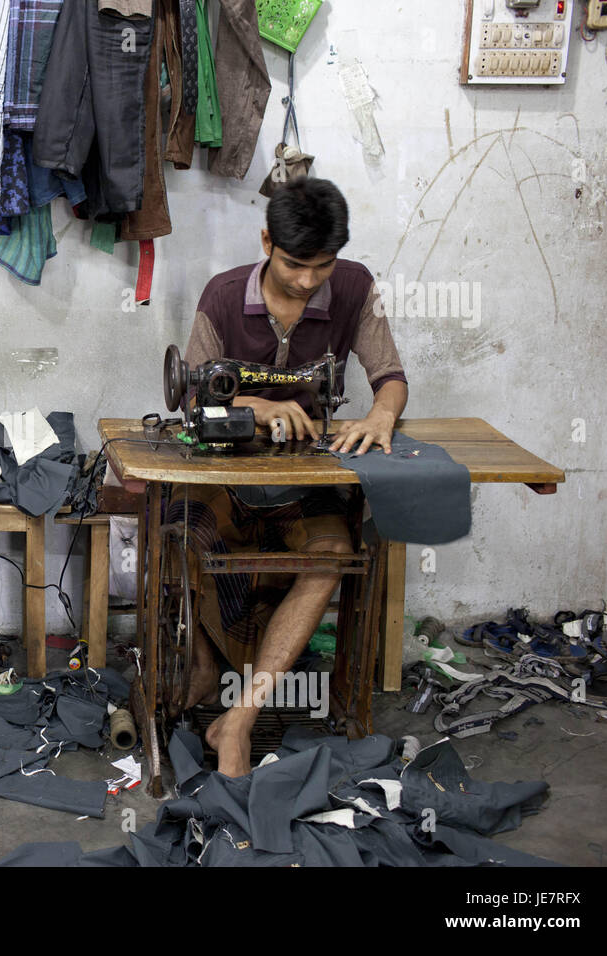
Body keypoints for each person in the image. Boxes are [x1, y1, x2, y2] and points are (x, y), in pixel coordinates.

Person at [179, 178, 408, 777]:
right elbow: (194, 399)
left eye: (322, 266)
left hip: (305, 478)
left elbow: (390, 375)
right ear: (266, 241)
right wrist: (254, 407)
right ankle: (202, 671)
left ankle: (241, 719)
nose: (309, 281)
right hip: (226, 477)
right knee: (176, 528)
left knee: (333, 553)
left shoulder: (356, 287)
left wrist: (382, 414)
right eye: (294, 265)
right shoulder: (222, 296)